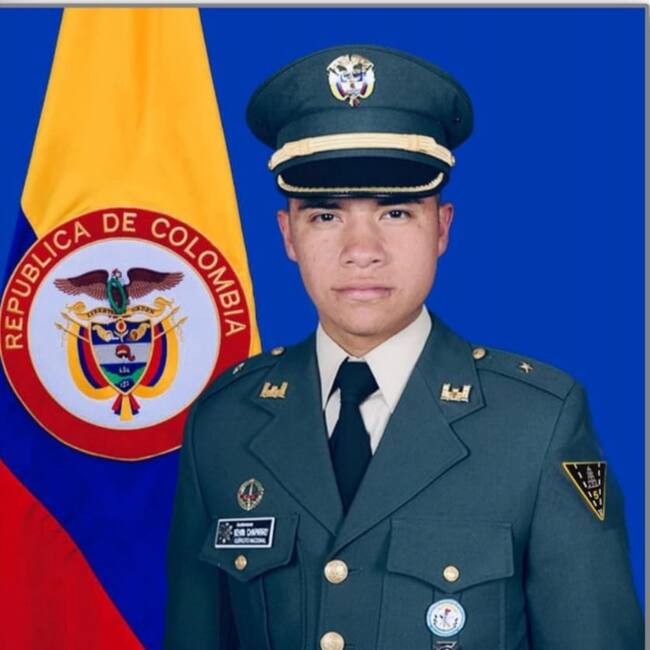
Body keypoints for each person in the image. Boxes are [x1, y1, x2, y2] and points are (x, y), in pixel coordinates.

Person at [164, 45, 643, 650]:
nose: (361, 250)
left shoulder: (537, 424)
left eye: (395, 212)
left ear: (442, 228)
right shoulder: (224, 422)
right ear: (287, 235)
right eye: (325, 216)